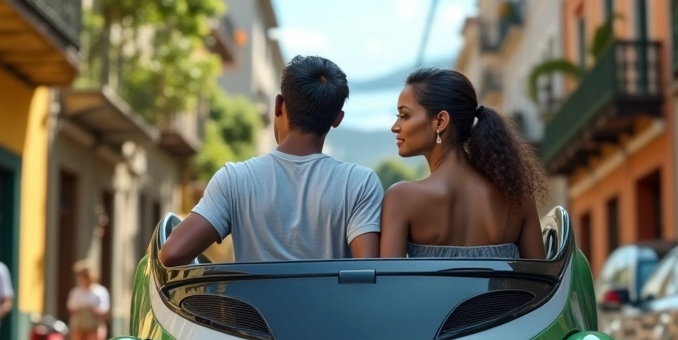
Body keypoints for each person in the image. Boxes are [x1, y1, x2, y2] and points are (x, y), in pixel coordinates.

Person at [160, 55, 383, 266]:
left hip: (253, 309)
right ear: (337, 119)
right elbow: (368, 272)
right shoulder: (361, 183)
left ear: (278, 105)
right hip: (334, 309)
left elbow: (171, 254)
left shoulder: (235, 179)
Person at [380, 68, 547, 260]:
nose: (395, 127)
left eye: (404, 115)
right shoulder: (517, 196)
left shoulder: (401, 199)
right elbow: (541, 282)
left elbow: (389, 286)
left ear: (440, 121)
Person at [67, 261, 110, 340]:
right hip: (79, 325)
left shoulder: (100, 292)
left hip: (94, 326)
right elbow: (71, 308)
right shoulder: (76, 292)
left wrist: (92, 310)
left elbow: (104, 310)